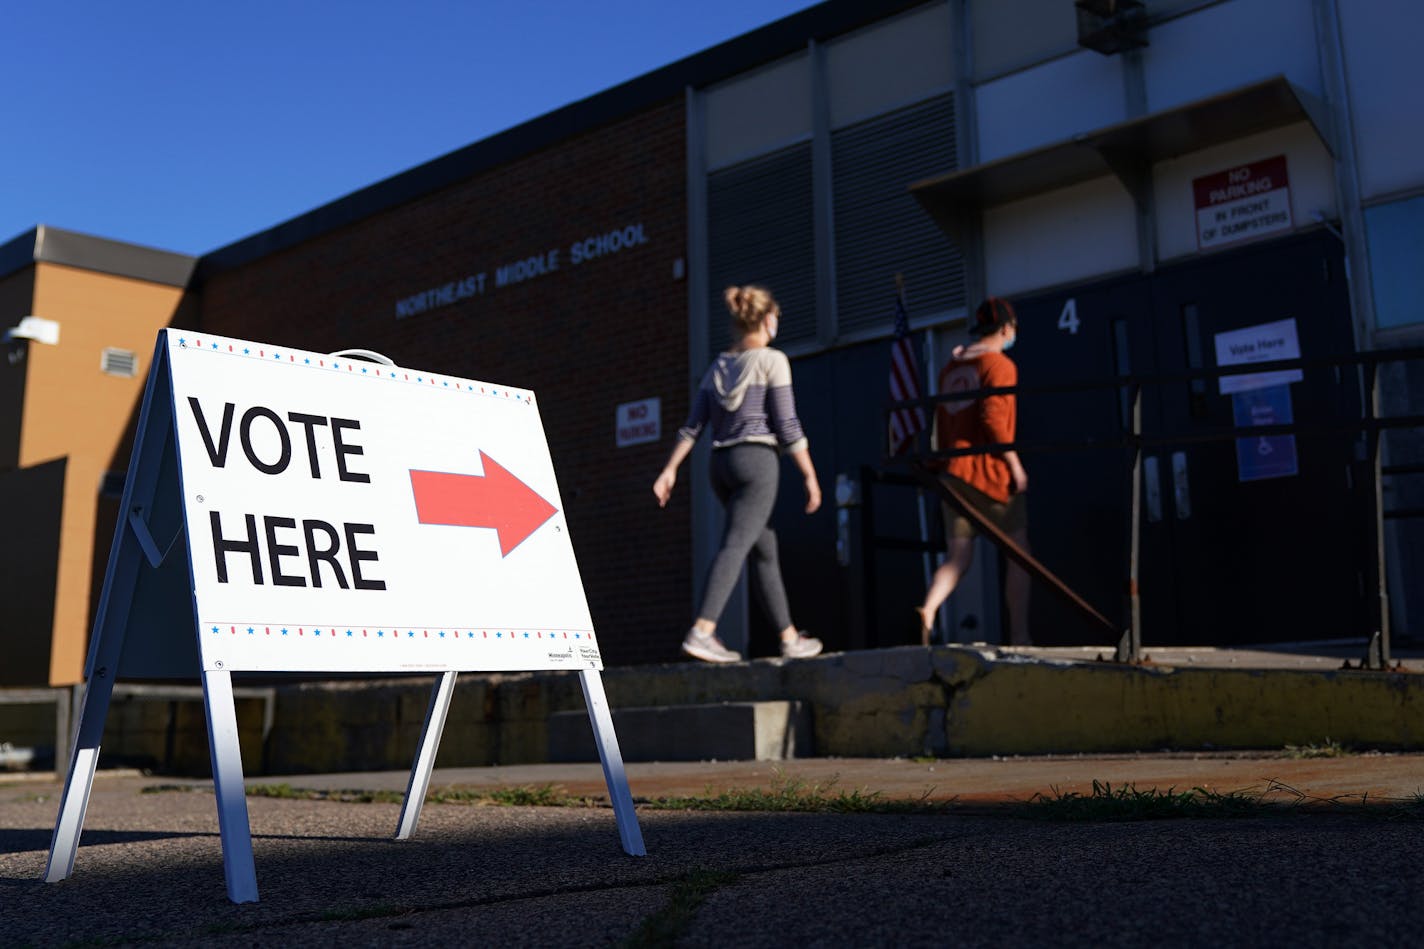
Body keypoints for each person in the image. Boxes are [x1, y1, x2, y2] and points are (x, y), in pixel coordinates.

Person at [654, 285, 824, 663]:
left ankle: (788, 637)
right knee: (736, 545)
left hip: (721, 465)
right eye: (776, 317)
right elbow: (787, 423)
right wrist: (810, 475)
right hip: (758, 463)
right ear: (767, 320)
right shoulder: (772, 360)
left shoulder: (718, 366)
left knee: (764, 550)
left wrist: (670, 469)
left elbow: (692, 426)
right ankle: (703, 630)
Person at [915, 296, 1031, 647]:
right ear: (1007, 329)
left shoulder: (950, 369)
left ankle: (929, 607)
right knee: (1019, 554)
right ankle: (1020, 635)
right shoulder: (999, 365)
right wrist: (1015, 465)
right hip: (987, 472)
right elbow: (994, 420)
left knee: (958, 556)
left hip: (952, 473)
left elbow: (940, 421)